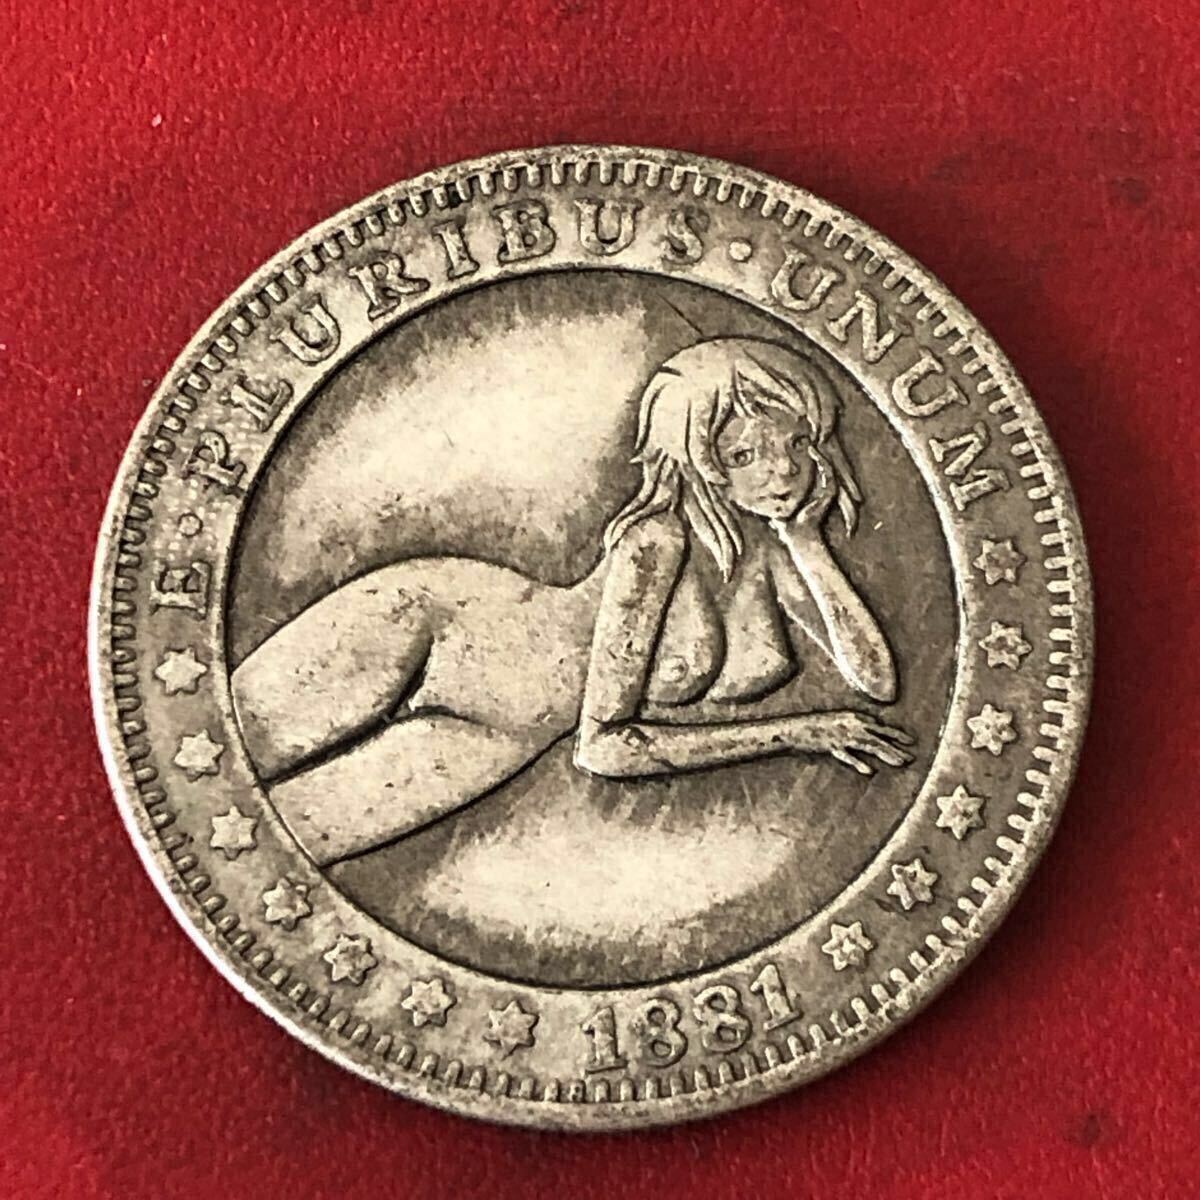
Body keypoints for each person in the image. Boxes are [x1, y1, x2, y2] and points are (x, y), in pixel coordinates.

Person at [231, 337, 913, 866]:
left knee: (275, 853)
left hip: (506, 734)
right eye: (743, 455)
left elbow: (878, 681)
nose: (783, 470)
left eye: (796, 443)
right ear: (696, 457)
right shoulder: (657, 539)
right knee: (219, 753)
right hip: (439, 625)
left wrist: (807, 540)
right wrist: (801, 732)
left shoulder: (773, 554)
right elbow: (605, 746)